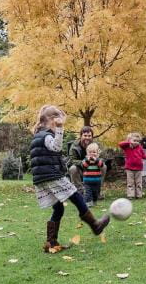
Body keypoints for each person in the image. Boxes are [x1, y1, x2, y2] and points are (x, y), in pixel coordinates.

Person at [30, 105, 110, 253]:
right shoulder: (47, 135)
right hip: (51, 175)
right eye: (59, 122)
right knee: (76, 195)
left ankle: (51, 243)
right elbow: (56, 147)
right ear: (53, 120)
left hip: (41, 178)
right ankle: (95, 225)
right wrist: (60, 129)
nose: (60, 126)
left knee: (58, 207)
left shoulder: (38, 135)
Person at [68, 126, 107, 197]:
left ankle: (97, 191)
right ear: (81, 136)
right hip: (81, 167)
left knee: (104, 166)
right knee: (72, 168)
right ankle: (80, 192)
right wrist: (85, 162)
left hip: (94, 167)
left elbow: (103, 158)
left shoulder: (96, 145)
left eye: (89, 136)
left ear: (92, 136)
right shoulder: (75, 145)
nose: (87, 138)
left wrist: (95, 161)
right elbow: (72, 160)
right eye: (85, 135)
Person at [119, 132, 146, 199]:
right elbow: (120, 144)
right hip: (129, 168)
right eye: (134, 140)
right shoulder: (127, 147)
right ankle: (131, 195)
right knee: (130, 183)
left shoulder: (140, 148)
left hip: (139, 168)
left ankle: (139, 195)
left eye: (138, 141)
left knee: (138, 183)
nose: (136, 142)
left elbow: (143, 155)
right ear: (130, 140)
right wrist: (129, 142)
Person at [81, 143, 104, 207]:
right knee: (88, 193)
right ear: (87, 153)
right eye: (90, 152)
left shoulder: (99, 160)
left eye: (94, 152)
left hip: (97, 181)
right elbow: (83, 166)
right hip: (87, 181)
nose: (92, 154)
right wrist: (88, 160)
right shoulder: (85, 160)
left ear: (97, 153)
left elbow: (101, 165)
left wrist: (96, 160)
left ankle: (94, 202)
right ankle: (87, 203)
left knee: (95, 193)